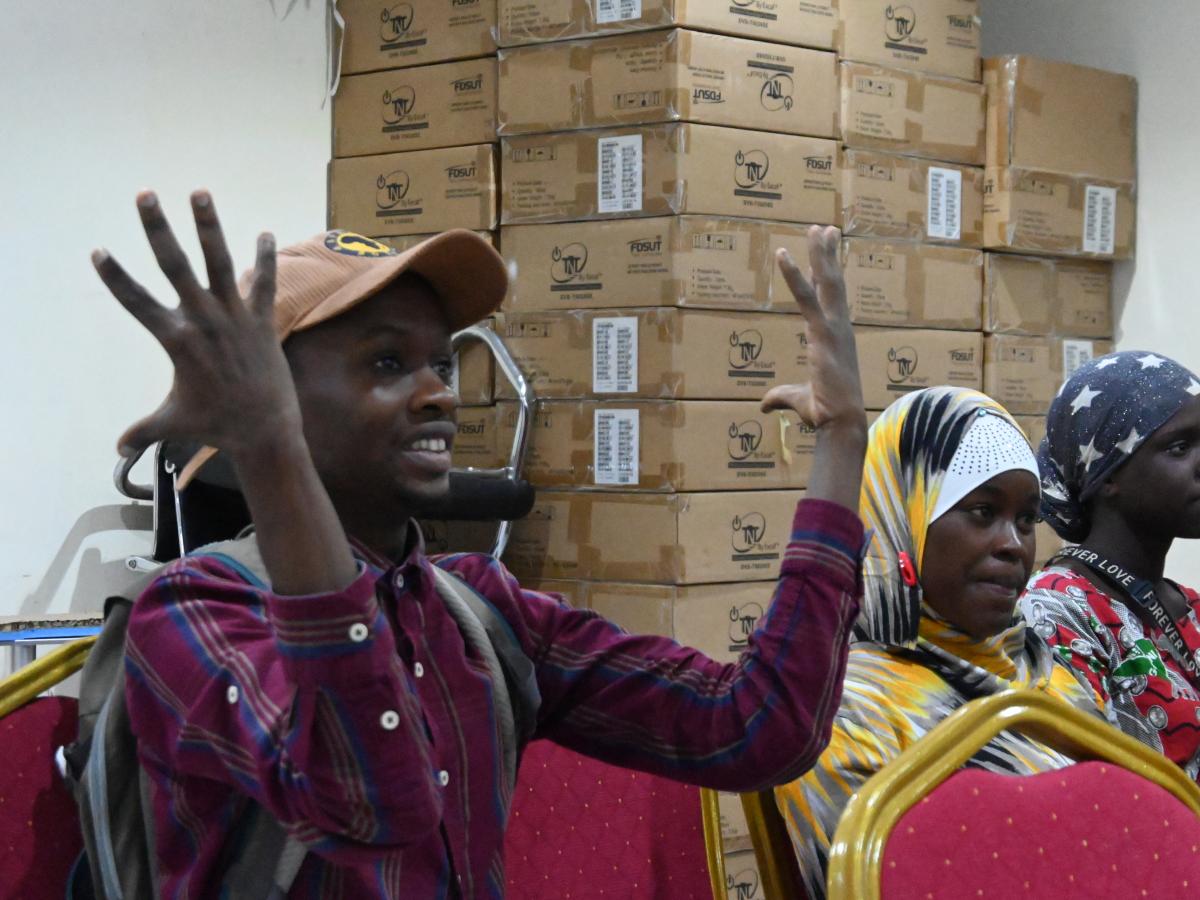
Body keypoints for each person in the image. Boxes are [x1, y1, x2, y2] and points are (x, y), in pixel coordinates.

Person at [92, 190, 869, 898]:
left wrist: (840, 443)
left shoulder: (477, 611)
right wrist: (269, 450)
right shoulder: (196, 611)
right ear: (274, 401)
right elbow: (368, 806)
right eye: (389, 363)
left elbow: (755, 729)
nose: (441, 393)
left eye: (441, 361)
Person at [773, 386, 1101, 899]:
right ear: (903, 519)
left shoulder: (1048, 675)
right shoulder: (843, 716)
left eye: (1026, 519)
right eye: (981, 510)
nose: (1013, 545)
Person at [1019, 351, 1200, 780]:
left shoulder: (1189, 606)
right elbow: (1085, 791)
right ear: (1108, 475)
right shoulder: (1056, 613)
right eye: (1179, 447)